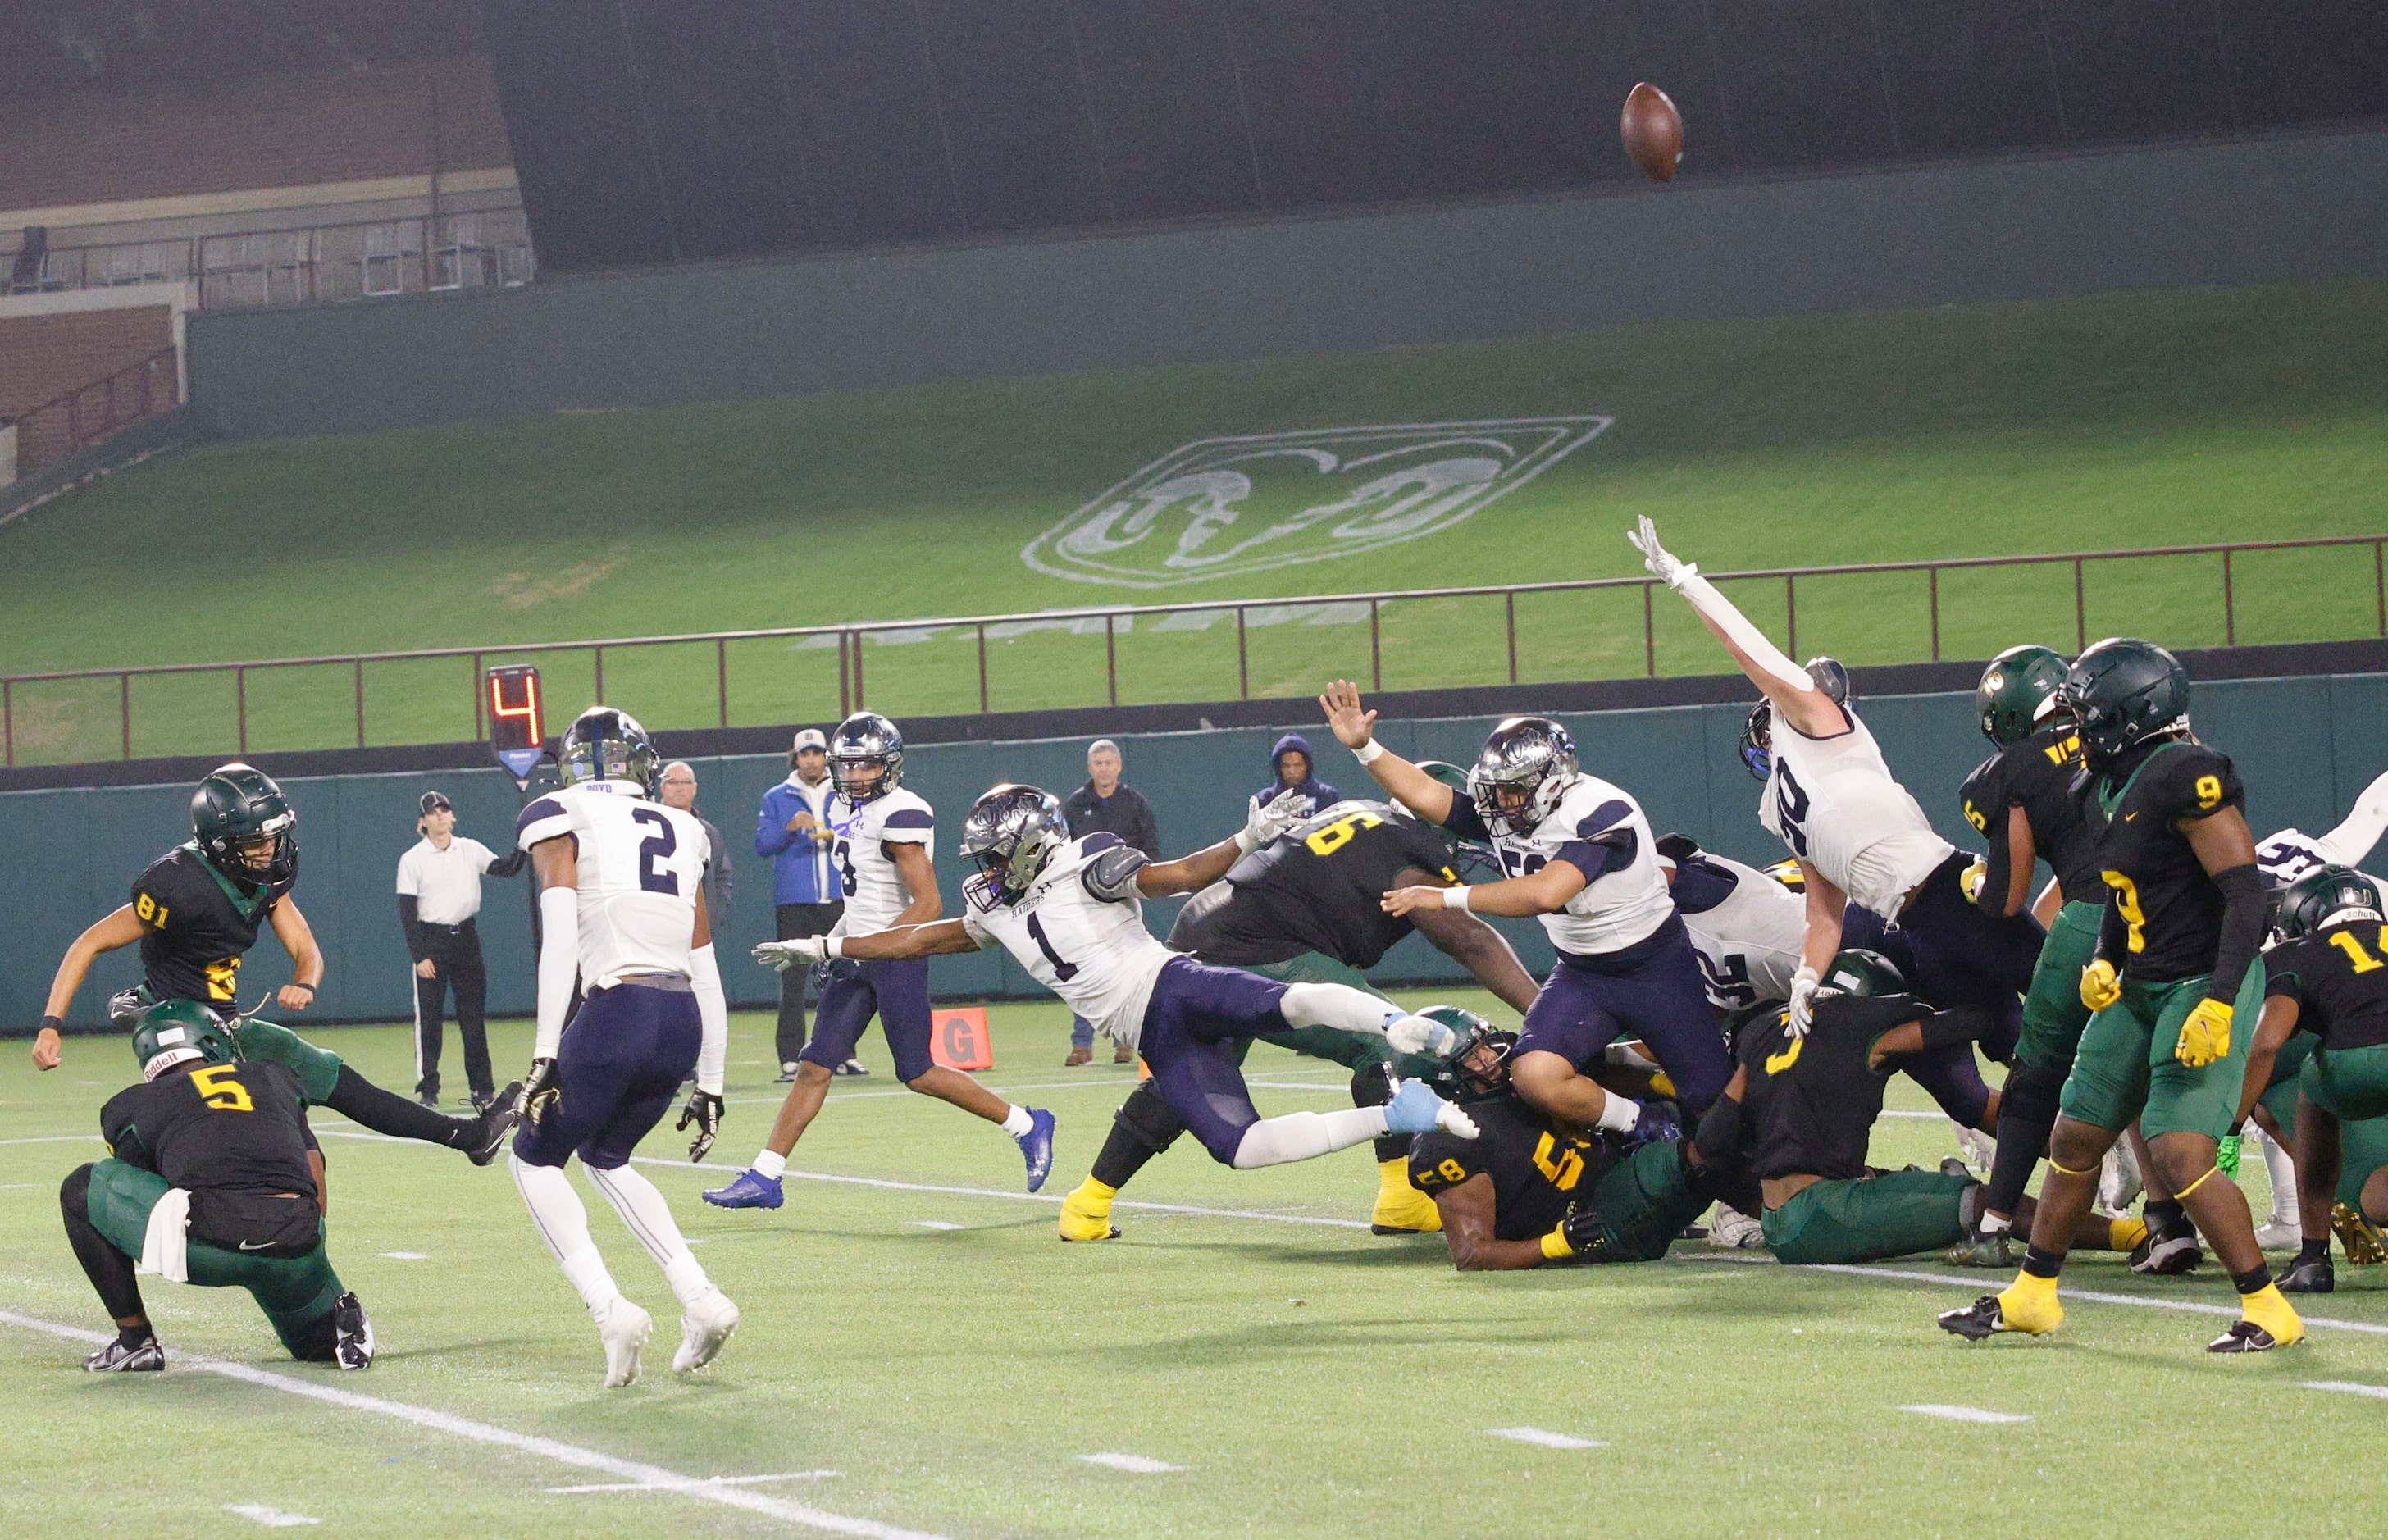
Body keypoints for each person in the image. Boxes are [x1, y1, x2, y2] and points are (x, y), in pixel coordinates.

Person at [759, 783, 1479, 1178]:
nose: (982, 870)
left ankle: (1395, 1026)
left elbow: (1172, 879)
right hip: (1152, 1033)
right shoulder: (992, 907)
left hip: (1169, 984)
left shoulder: (1086, 861)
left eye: (992, 856)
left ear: (1031, 843)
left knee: (1285, 1003)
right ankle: (1398, 1115)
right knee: (1242, 1150)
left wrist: (1246, 840)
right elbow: (918, 937)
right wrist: (827, 942)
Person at [1938, 638, 2303, 1353]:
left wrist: (2222, 1001)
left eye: (2088, 706)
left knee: (2177, 1149)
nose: (2076, 719)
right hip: (2139, 981)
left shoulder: (2187, 775)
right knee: (2075, 1132)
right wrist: (2106, 958)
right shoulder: (2103, 780)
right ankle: (2035, 1294)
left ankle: (2268, 1306)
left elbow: (2244, 898)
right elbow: (2116, 889)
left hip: (2199, 982)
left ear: (2132, 712)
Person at [1630, 517, 2041, 1136]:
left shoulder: (1818, 722)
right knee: (1984, 1026)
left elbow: (1754, 654)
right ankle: (2017, 1200)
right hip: (1915, 922)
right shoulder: (1783, 803)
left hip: (1952, 891)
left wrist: (1688, 584)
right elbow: (1825, 917)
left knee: (2065, 1012)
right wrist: (1804, 978)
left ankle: (2138, 1132)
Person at [1056, 775, 1543, 1241]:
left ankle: (1089, 1202)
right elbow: (1469, 940)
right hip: (1265, 946)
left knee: (1187, 1075)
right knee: (1392, 1040)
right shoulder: (1407, 856)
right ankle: (1402, 1199)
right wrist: (1542, 1014)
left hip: (1207, 927)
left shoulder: (1361, 814)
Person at [34, 762, 517, 1163]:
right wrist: (52, 1025)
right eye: (255, 842)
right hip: (174, 1020)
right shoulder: (177, 886)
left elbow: (307, 951)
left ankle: (470, 1138)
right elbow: (87, 944)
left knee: (335, 1084)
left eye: (275, 837)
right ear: (219, 842)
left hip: (226, 1023)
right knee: (206, 1126)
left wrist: (305, 983)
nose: (270, 850)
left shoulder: (266, 879)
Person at [1320, 683, 1721, 1137]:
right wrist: (1365, 748)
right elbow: (1428, 796)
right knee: (1535, 1077)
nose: (1501, 803)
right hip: (1583, 973)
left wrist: (1444, 897)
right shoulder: (1509, 811)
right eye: (1497, 791)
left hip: (1655, 965)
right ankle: (1644, 1123)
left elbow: (1546, 894)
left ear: (1553, 780)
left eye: (1513, 791)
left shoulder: (1602, 810)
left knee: (1712, 1100)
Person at [708, 713, 1057, 1210]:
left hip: (896, 956)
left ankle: (1027, 1124)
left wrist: (855, 947)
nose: (854, 776)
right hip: (858, 952)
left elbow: (928, 906)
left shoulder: (902, 811)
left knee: (918, 1072)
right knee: (814, 1066)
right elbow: (862, 898)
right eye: (846, 766)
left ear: (889, 766)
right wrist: (836, 937)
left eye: (866, 766)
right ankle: (765, 1177)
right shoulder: (850, 811)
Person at [508, 706, 741, 1387]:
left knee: (534, 1161)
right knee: (607, 1155)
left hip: (619, 1006)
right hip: (681, 1018)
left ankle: (610, 1310)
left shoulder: (558, 812)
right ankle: (700, 1296)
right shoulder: (687, 828)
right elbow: (706, 966)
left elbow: (558, 942)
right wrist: (713, 1080)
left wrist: (546, 1050)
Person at [1697, 950, 2139, 1266]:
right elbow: (1965, 1024)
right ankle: (2129, 1234)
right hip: (1823, 1215)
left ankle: (1928, 1189)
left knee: (1888, 1180)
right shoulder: (1870, 1026)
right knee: (1985, 1202)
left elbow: (1713, 1138)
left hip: (1776, 1217)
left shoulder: (1762, 1031)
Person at [62, 1001, 372, 1372]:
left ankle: (135, 1341)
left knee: (81, 1188)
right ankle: (341, 1328)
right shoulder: (274, 1076)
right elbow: (316, 1188)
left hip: (209, 1245)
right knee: (316, 1345)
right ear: (212, 1042)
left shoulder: (130, 1105)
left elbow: (145, 1191)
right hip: (298, 1242)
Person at [1405, 1018, 1720, 1271]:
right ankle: (1743, 1214)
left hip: (1611, 1158)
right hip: (1595, 1219)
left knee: (1700, 1106)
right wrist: (1556, 1243)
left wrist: (1660, 1086)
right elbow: (1473, 1254)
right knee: (1702, 1154)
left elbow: (1597, 1072)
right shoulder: (1448, 1143)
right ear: (1442, 1080)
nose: (1489, 1057)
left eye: (1484, 1044)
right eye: (1471, 1058)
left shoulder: (1514, 1073)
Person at [2239, 865, 2388, 1294]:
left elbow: (2267, 1043)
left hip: (2356, 1062)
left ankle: (2314, 1256)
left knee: (2312, 1088)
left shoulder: (2294, 953)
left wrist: (2232, 1121)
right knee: (2379, 1198)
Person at [396, 790, 526, 1111]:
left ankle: (482, 1088)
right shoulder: (412, 860)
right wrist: (419, 956)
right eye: (433, 813)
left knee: (473, 1017)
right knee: (430, 1019)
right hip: (432, 942)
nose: (440, 816)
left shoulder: (470, 849)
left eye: (445, 811)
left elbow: (505, 868)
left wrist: (525, 844)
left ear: (453, 817)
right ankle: (428, 1088)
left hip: (466, 937)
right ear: (423, 822)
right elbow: (407, 914)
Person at [756, 728, 850, 1081]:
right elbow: (763, 844)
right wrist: (789, 828)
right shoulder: (777, 796)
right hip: (795, 901)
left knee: (841, 978)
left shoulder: (843, 792)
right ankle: (791, 1056)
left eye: (817, 753)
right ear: (795, 758)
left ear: (826, 757)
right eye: (804, 754)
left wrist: (835, 832)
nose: (811, 759)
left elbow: (859, 827)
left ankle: (842, 1054)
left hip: (838, 898)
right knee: (793, 979)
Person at [1060, 738, 1160, 1064]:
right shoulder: (1075, 805)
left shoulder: (1135, 803)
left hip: (1124, 899)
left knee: (1130, 967)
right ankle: (1082, 1045)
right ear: (1090, 768)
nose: (1104, 768)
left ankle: (1125, 1040)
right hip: (1082, 900)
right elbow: (1060, 853)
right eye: (1098, 763)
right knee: (1080, 968)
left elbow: (1150, 850)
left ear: (1119, 766)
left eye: (1108, 762)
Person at [659, 760, 731, 938]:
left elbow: (723, 875)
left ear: (695, 788)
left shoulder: (709, 833)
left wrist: (715, 914)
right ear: (662, 787)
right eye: (673, 782)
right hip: (660, 924)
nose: (679, 788)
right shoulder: (647, 828)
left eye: (686, 782)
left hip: (699, 929)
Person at [1254, 731, 1338, 818]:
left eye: (1297, 765)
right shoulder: (1265, 799)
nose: (1292, 771)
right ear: (1279, 768)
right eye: (1286, 766)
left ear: (1307, 766)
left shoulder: (1326, 796)